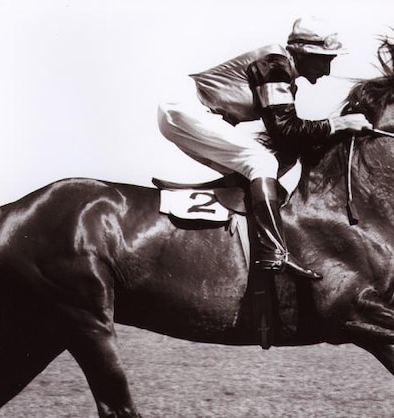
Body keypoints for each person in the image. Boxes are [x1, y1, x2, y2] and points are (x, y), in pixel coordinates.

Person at [158, 17, 372, 280]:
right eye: (324, 59)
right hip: (185, 107)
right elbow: (286, 130)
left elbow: (287, 142)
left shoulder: (283, 72)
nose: (327, 70)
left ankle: (217, 205)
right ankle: (274, 251)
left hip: (185, 110)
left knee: (277, 161)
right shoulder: (274, 66)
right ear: (303, 53)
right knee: (262, 163)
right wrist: (338, 124)